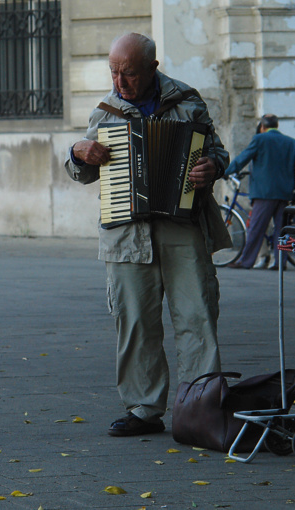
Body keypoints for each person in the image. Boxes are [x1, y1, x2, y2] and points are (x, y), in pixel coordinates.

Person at [65, 33, 231, 437]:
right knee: (135, 321)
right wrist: (77, 151)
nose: (120, 83)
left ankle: (201, 407)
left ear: (153, 69)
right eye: (114, 72)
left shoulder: (188, 101)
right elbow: (82, 171)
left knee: (197, 317)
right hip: (126, 233)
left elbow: (219, 153)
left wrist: (213, 166)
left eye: (130, 74)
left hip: (184, 227)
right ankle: (143, 409)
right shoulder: (106, 111)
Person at [225, 114, 295, 269]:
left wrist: (226, 171)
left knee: (256, 228)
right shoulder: (291, 142)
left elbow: (243, 158)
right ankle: (281, 263)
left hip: (264, 193)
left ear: (262, 126)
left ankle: (246, 261)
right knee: (283, 229)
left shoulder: (259, 139)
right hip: (285, 193)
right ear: (277, 126)